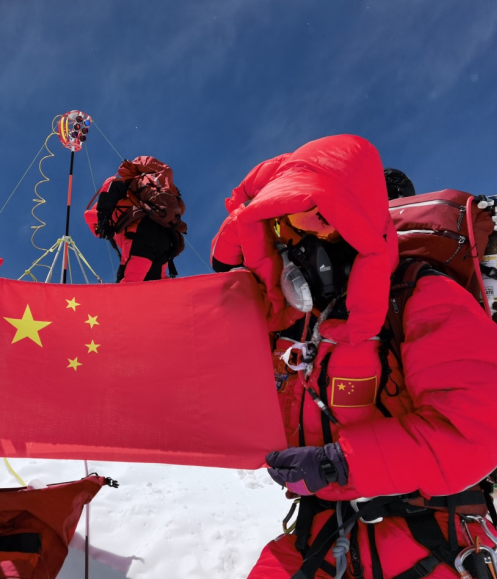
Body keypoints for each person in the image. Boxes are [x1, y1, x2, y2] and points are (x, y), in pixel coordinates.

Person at [211, 134, 497, 577]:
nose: (295, 246)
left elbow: (473, 432)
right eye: (280, 231)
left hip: (433, 535)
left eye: (309, 222)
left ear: (353, 223)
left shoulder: (421, 294)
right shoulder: (298, 331)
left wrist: (337, 463)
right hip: (320, 536)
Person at [85, 156, 186, 282]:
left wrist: (102, 222)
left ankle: (124, 299)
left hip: (141, 231)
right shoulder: (161, 187)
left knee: (131, 278)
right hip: (168, 235)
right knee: (156, 280)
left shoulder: (126, 188)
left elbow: (90, 215)